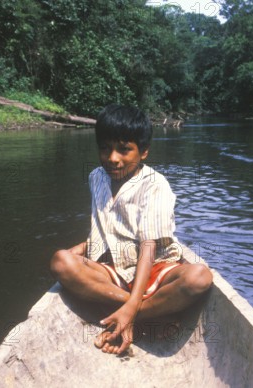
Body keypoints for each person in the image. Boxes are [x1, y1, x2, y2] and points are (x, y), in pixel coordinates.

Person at [50, 104, 213, 355]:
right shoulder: (96, 177)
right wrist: (81, 248)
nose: (113, 158)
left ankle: (129, 313)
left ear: (144, 151)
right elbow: (105, 226)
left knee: (198, 278)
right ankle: (147, 316)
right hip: (114, 268)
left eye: (124, 150)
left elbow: (149, 246)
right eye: (105, 148)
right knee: (61, 262)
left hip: (155, 264)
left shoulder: (155, 184)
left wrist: (133, 303)